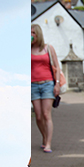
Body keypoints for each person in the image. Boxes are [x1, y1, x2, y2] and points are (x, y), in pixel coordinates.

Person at [31, 24, 60, 153]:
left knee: (46, 114)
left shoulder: (48, 48)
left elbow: (57, 67)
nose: (30, 35)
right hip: (32, 84)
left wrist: (57, 83)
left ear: (38, 34)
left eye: (33, 33)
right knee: (38, 116)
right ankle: (44, 136)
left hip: (47, 83)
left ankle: (48, 143)